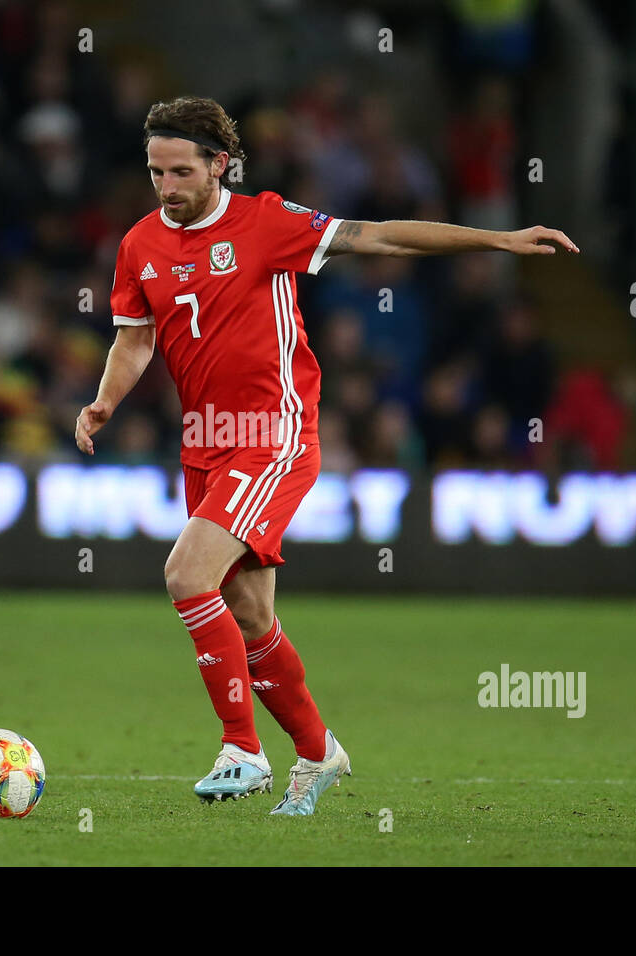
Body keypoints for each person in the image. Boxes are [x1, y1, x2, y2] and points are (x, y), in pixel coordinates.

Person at [74, 96, 578, 815]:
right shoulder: (139, 245)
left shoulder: (266, 222)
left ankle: (241, 749)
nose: (167, 187)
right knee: (246, 616)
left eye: (181, 172)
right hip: (205, 444)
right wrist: (105, 400)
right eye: (156, 172)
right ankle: (317, 753)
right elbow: (134, 338)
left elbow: (380, 238)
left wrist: (495, 241)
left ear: (220, 165)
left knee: (187, 575)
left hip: (272, 436)